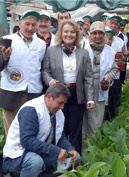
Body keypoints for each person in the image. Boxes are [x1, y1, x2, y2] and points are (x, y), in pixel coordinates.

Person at [3, 84, 79, 177]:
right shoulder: (32, 109)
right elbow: (27, 141)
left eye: (64, 103)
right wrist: (55, 151)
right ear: (49, 97)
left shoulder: (57, 113)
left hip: (37, 151)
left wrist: (70, 150)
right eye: (60, 103)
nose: (62, 107)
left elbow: (60, 136)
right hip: (19, 153)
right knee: (35, 162)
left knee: (73, 159)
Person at [42, 20, 94, 154]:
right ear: (61, 33)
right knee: (59, 127)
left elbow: (88, 77)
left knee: (76, 128)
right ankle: (58, 158)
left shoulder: (84, 53)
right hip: (59, 93)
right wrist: (50, 81)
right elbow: (45, 71)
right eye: (66, 31)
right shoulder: (51, 51)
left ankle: (75, 160)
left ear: (77, 35)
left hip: (77, 93)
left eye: (72, 32)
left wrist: (90, 99)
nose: (69, 34)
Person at [0, 10, 46, 134]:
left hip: (33, 93)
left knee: (30, 131)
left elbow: (42, 67)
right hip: (12, 93)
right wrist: (5, 57)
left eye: (33, 25)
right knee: (12, 132)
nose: (30, 28)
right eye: (27, 24)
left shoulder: (41, 44)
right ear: (20, 24)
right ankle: (10, 154)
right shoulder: (7, 40)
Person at [83, 21, 117, 135]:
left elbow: (114, 69)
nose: (97, 36)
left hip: (100, 92)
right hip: (84, 92)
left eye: (100, 33)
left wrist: (107, 77)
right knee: (83, 123)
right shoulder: (83, 47)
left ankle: (94, 149)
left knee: (96, 123)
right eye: (94, 33)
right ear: (89, 34)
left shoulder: (109, 51)